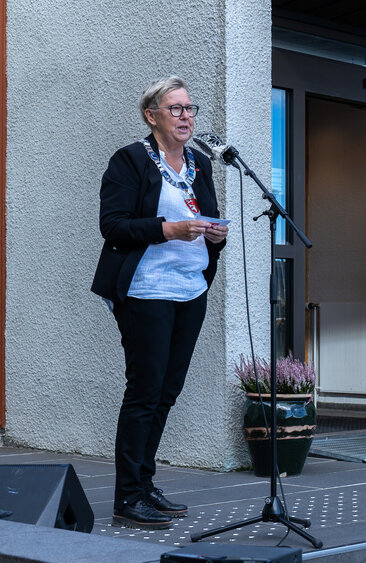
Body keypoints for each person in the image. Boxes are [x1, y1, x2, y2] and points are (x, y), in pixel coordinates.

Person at [91, 77, 229, 529]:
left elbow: (205, 219)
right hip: (146, 290)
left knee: (166, 394)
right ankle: (127, 496)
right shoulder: (130, 160)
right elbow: (113, 226)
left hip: (190, 290)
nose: (187, 116)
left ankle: (145, 484)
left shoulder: (199, 164)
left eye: (190, 107)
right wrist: (167, 229)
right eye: (176, 109)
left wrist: (216, 236)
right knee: (145, 392)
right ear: (152, 116)